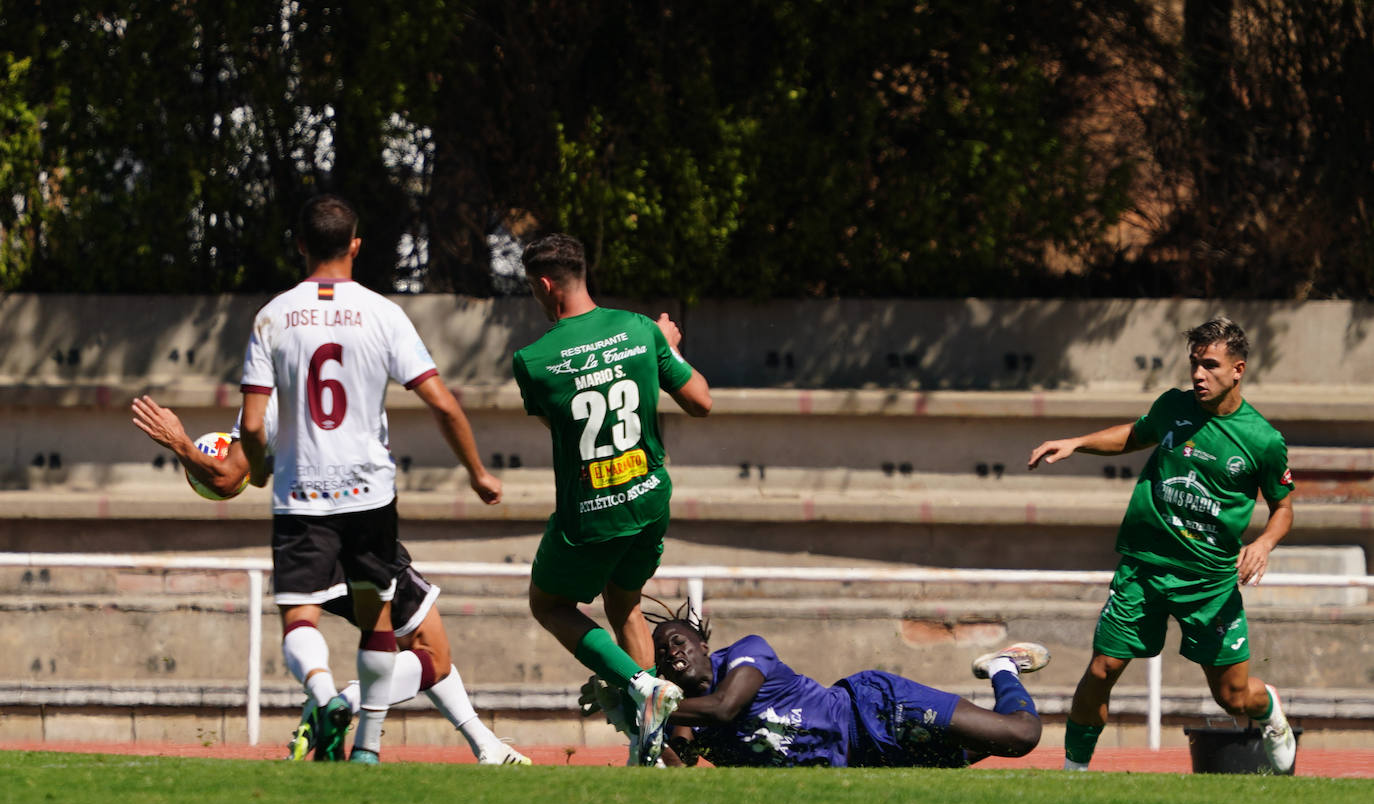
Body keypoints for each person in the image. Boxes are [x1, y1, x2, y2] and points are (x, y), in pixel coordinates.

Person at [238, 193, 502, 765]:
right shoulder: (383, 313)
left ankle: (325, 697)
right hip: (369, 496)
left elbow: (253, 425)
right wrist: (478, 472)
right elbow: (442, 403)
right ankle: (367, 751)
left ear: (300, 244)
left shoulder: (272, 316)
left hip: (301, 496)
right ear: (356, 245)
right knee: (379, 622)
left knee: (299, 618)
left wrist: (259, 470)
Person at [131, 394, 530, 765]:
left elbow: (231, 477)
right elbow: (440, 402)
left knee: (309, 625)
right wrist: (477, 471)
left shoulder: (269, 390)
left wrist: (182, 444)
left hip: (302, 537)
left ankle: (484, 744)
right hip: (363, 529)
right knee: (432, 652)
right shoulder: (363, 371)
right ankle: (341, 705)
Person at [1028, 317, 1298, 773]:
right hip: (1144, 568)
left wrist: (1265, 543)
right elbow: (1135, 435)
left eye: (1210, 365)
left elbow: (1284, 508)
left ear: (1238, 370)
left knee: (1233, 697)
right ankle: (1073, 775)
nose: (1198, 374)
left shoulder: (1264, 440)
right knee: (1103, 669)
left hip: (1209, 582)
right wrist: (1077, 443)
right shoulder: (1174, 405)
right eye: (1194, 363)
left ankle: (1269, 707)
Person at [513, 233, 712, 766]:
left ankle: (642, 686)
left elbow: (561, 421)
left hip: (592, 514)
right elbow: (701, 401)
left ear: (545, 285)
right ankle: (651, 750)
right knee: (624, 605)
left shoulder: (532, 360)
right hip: (648, 499)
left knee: (549, 605)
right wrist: (667, 347)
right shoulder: (641, 330)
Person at [648, 613, 1048, 768]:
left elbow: (725, 708)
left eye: (679, 641)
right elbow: (681, 768)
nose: (672, 652)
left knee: (1019, 736)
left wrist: (648, 700)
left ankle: (1002, 667)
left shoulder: (745, 653)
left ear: (703, 645)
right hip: (867, 764)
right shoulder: (683, 716)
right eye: (662, 652)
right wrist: (652, 735)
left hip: (873, 711)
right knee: (981, 746)